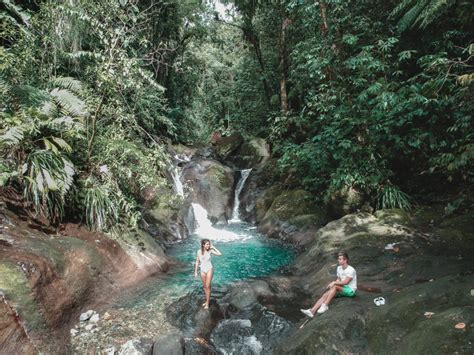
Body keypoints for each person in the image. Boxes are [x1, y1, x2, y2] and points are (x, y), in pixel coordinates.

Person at [300, 252, 357, 318]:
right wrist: (333, 284)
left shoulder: (351, 270)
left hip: (350, 290)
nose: (338, 260)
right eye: (338, 259)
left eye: (340, 259)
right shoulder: (339, 268)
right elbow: (339, 279)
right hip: (341, 288)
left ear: (345, 260)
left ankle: (325, 305)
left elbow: (346, 282)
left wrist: (334, 283)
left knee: (335, 286)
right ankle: (312, 311)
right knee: (325, 294)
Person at [194, 239, 222, 309]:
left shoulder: (210, 251)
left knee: (208, 286)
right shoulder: (198, 252)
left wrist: (214, 247)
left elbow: (220, 254)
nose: (208, 245)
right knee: (204, 287)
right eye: (207, 244)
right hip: (202, 270)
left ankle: (207, 303)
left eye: (209, 244)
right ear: (203, 245)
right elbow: (197, 262)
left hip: (209, 269)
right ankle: (207, 301)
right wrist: (195, 272)